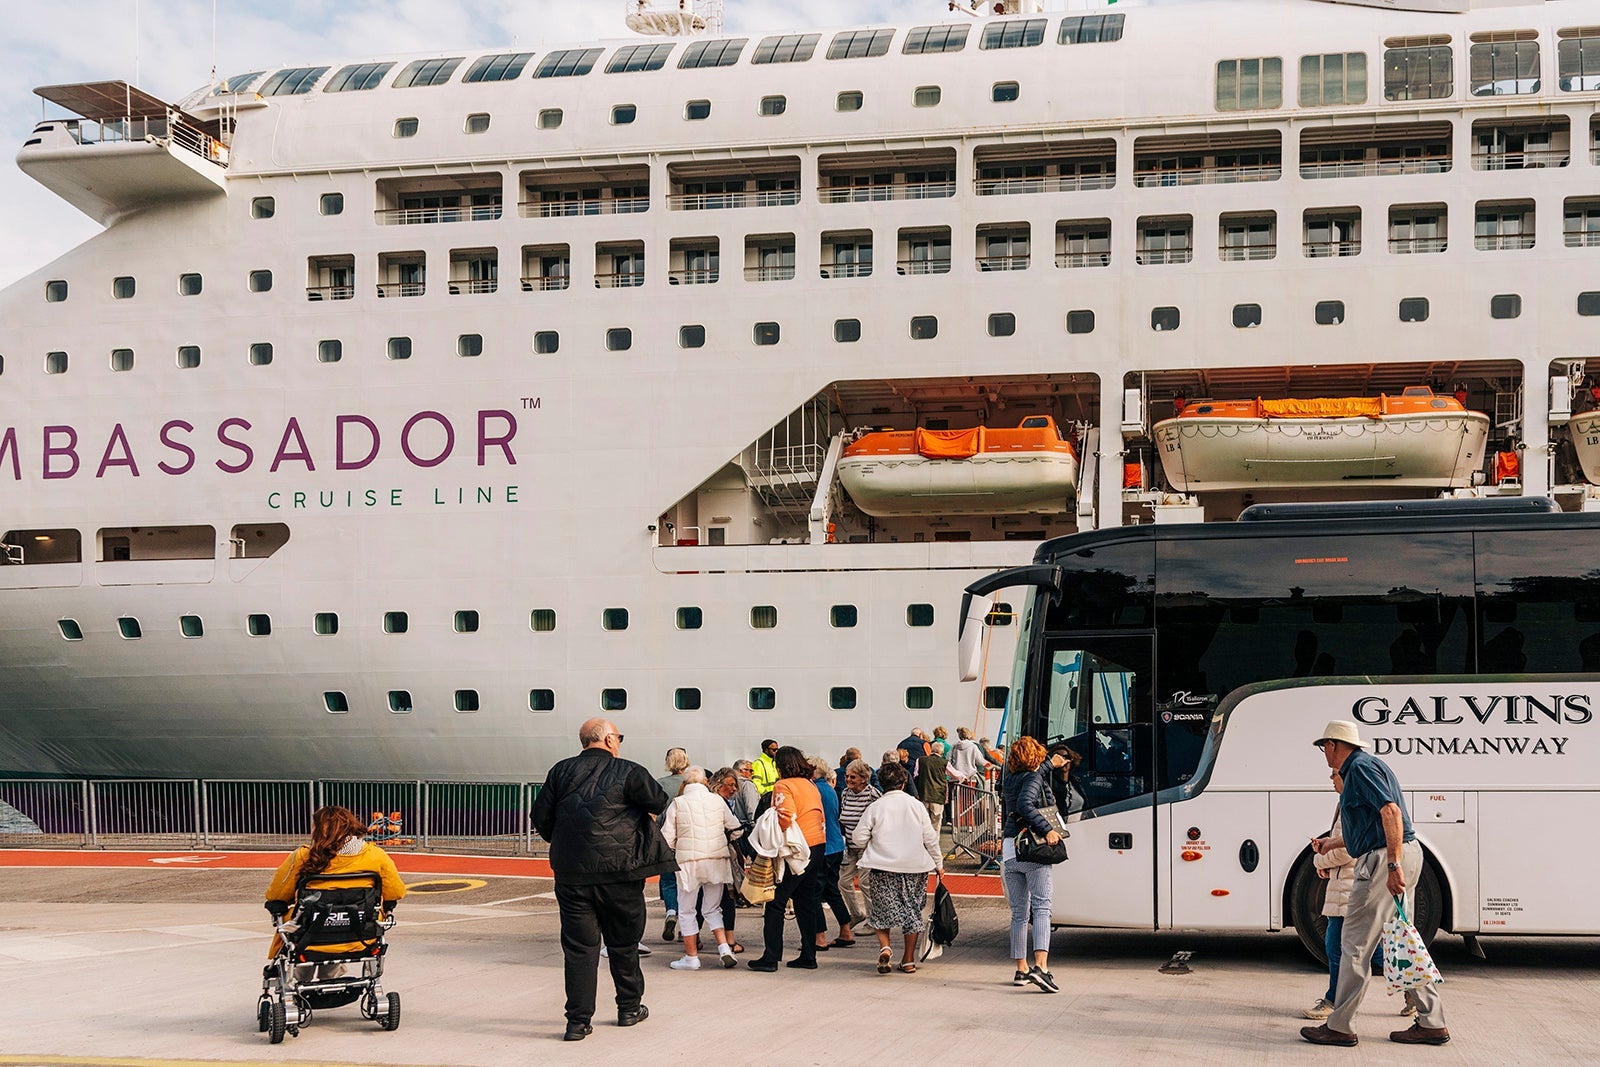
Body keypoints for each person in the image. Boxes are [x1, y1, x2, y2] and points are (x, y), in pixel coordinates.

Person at [1301, 720, 1449, 1048]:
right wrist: (1333, 844)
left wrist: (1393, 864)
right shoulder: (1368, 766)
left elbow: (1391, 812)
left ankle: (1340, 1027)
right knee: (1401, 940)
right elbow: (1368, 827)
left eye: (1324, 746)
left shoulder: (1359, 769)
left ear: (1336, 745)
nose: (1323, 753)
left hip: (1384, 861)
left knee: (1354, 945)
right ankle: (1431, 1021)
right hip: (1398, 854)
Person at [531, 719, 675, 1042]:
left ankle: (578, 1022)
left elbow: (540, 817)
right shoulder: (629, 771)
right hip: (620, 872)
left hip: (572, 875)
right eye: (618, 737)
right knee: (624, 944)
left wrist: (567, 841)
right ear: (609, 739)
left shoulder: (560, 772)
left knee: (580, 948)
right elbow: (659, 802)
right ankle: (628, 1008)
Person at [1304, 769, 1417, 1022]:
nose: (1331, 779)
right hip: (1343, 885)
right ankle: (1413, 988)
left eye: (1334, 775)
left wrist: (1319, 860)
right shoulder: (1346, 803)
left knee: (1338, 947)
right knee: (1365, 950)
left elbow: (1349, 849)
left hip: (1352, 886)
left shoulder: (1352, 804)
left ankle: (1333, 1001)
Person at [264, 805, 407, 981]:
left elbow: (277, 894)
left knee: (300, 921)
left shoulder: (304, 856)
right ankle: (330, 975)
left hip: (309, 936)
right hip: (360, 935)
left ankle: (300, 979)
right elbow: (396, 892)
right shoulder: (376, 856)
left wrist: (277, 905)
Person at [851, 761, 941, 974]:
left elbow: (858, 838)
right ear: (903, 783)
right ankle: (908, 959)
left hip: (882, 866)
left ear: (882, 784)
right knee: (912, 912)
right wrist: (938, 863)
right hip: (914, 866)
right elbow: (930, 837)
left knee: (881, 912)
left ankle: (885, 946)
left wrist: (871, 841)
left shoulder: (876, 807)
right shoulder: (916, 805)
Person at [748, 746, 827, 971]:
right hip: (817, 845)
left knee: (776, 903)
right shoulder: (810, 785)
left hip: (797, 848)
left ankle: (771, 957)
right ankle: (808, 955)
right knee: (806, 902)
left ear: (780, 766)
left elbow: (786, 816)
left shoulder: (783, 785)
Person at [659, 767, 740, 970]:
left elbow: (666, 837)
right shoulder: (717, 800)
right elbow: (736, 828)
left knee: (687, 910)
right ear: (705, 782)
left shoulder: (678, 803)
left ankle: (691, 957)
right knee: (713, 908)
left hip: (688, 863)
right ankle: (724, 950)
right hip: (716, 860)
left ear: (685, 784)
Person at [1001, 735, 1064, 993]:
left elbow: (1030, 780)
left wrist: (1050, 765)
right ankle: (1042, 968)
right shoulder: (1033, 778)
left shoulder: (1010, 779)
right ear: (1035, 756)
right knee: (1041, 908)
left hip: (1009, 849)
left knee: (1018, 913)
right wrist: (1047, 829)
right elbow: (1026, 804)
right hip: (1032, 849)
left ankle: (1021, 969)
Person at [809, 757, 853, 952]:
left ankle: (819, 936)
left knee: (814, 892)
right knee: (832, 890)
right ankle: (846, 930)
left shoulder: (813, 790)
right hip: (835, 845)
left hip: (821, 846)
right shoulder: (830, 789)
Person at [835, 758, 880, 947]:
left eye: (853, 777)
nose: (848, 780)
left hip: (867, 847)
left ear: (864, 778)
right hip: (850, 847)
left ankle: (873, 920)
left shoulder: (873, 795)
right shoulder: (845, 793)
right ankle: (856, 913)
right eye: (847, 776)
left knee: (865, 882)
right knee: (843, 882)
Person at [657, 747, 690, 942]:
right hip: (687, 838)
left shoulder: (660, 784)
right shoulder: (692, 782)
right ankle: (686, 929)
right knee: (687, 884)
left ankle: (671, 911)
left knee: (668, 880)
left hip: (666, 839)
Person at [916, 740, 950, 832]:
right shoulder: (944, 762)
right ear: (941, 751)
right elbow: (955, 774)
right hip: (938, 795)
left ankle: (924, 842)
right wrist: (964, 777)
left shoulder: (921, 760)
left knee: (924, 821)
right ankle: (934, 842)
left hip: (924, 794)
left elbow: (915, 774)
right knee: (936, 821)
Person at [731, 759, 761, 826]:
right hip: (747, 827)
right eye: (750, 771)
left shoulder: (729, 785)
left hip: (734, 827)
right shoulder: (747, 785)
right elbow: (752, 809)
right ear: (740, 771)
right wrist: (755, 826)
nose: (752, 773)